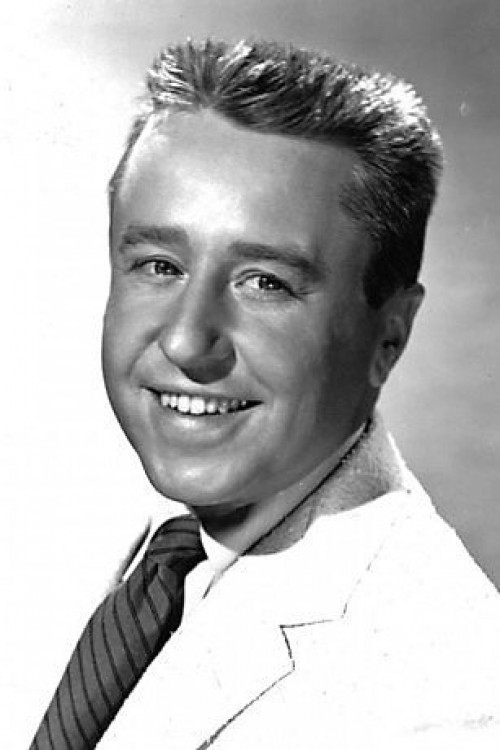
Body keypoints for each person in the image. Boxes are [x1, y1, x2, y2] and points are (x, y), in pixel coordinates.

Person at [31, 39, 500, 749]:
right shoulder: (74, 521)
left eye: (266, 283)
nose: (186, 342)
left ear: (390, 336)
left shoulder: (446, 700)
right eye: (159, 265)